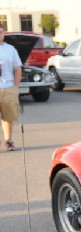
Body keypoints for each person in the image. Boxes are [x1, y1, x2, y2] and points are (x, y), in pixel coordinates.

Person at [0, 23, 22, 152]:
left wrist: (16, 87)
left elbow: (18, 68)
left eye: (1, 32)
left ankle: (9, 141)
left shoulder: (10, 49)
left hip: (8, 87)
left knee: (8, 117)